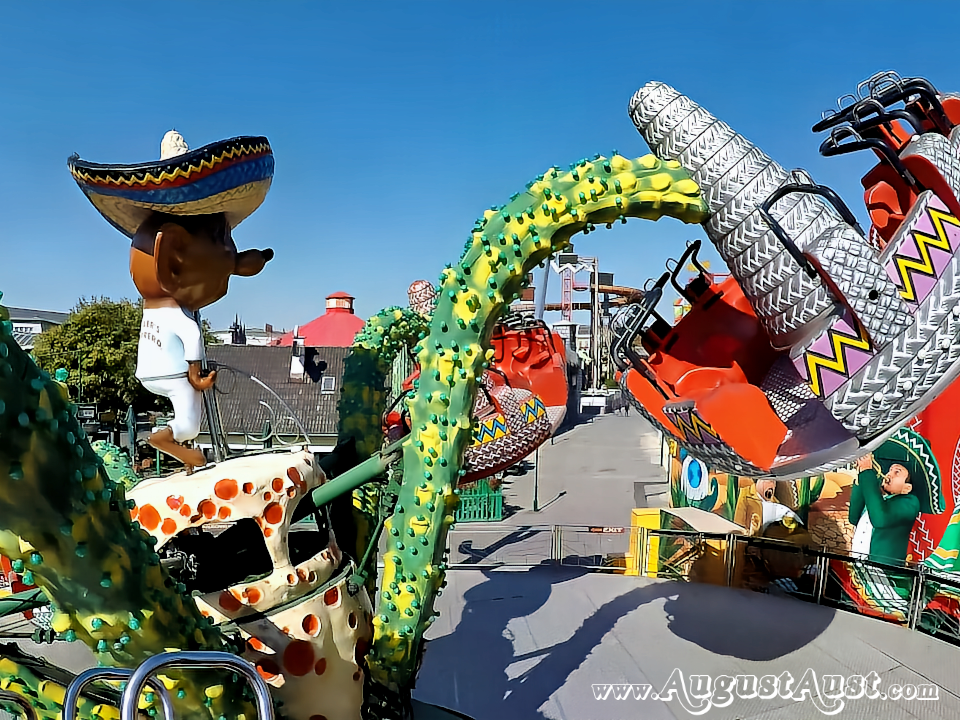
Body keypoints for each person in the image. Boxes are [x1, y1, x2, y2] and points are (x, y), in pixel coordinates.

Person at [69, 131, 275, 471]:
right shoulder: (176, 314)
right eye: (223, 238)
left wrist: (231, 263)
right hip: (173, 373)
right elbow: (192, 337)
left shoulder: (157, 310)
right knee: (190, 420)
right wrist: (196, 375)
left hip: (151, 370)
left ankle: (188, 459)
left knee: (190, 412)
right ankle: (170, 441)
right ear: (173, 260)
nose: (234, 255)